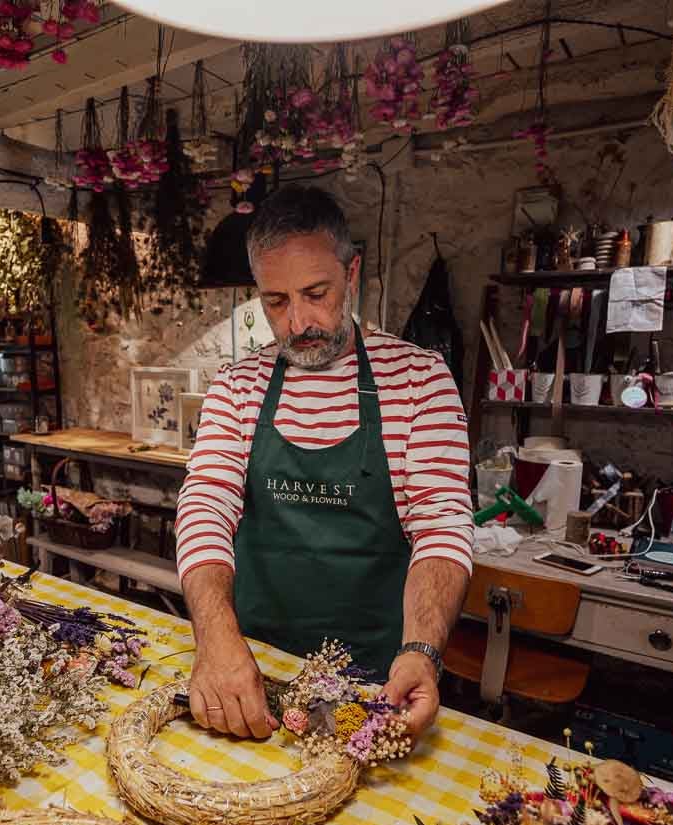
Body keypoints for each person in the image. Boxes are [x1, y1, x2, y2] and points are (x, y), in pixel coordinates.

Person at [175, 185, 474, 743]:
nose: (298, 323)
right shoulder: (237, 386)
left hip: (379, 678)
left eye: (316, 293)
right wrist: (217, 642)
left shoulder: (420, 379)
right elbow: (204, 508)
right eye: (276, 302)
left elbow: (441, 525)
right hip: (253, 666)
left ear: (351, 271)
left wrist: (421, 650)